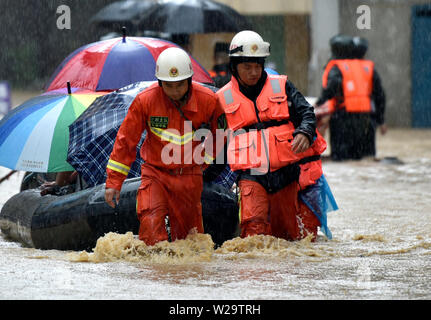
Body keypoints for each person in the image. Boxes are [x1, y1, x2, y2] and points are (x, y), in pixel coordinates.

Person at [212, 30, 335, 241]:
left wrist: (305, 132)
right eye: (247, 67)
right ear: (234, 67)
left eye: (257, 66)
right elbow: (214, 143)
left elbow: (306, 112)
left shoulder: (281, 85)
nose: (253, 72)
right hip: (251, 176)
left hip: (286, 174)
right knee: (253, 233)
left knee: (287, 237)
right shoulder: (221, 98)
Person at [104, 47, 225, 246]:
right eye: (169, 86)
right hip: (155, 174)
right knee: (150, 225)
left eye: (180, 85)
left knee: (189, 242)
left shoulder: (209, 101)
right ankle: (155, 275)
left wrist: (205, 162)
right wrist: (114, 182)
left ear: (189, 80)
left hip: (189, 176)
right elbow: (126, 141)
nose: (175, 91)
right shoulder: (145, 101)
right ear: (160, 82)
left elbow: (221, 135)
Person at [315, 34, 387, 161]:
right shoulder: (368, 67)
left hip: (343, 120)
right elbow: (380, 95)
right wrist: (381, 121)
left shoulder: (337, 66)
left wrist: (318, 107)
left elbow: (330, 89)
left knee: (342, 160)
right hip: (367, 120)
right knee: (366, 159)